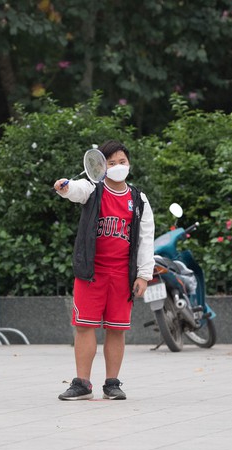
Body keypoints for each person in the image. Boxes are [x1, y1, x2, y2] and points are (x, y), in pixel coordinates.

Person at [53, 140, 155, 401]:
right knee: (85, 327)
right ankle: (82, 383)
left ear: (129, 164)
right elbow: (75, 190)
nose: (118, 167)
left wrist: (144, 275)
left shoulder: (139, 199)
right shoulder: (92, 189)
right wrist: (65, 187)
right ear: (101, 167)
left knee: (116, 329)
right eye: (111, 163)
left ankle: (112, 383)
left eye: (122, 162)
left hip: (122, 275)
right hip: (91, 272)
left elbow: (146, 239)